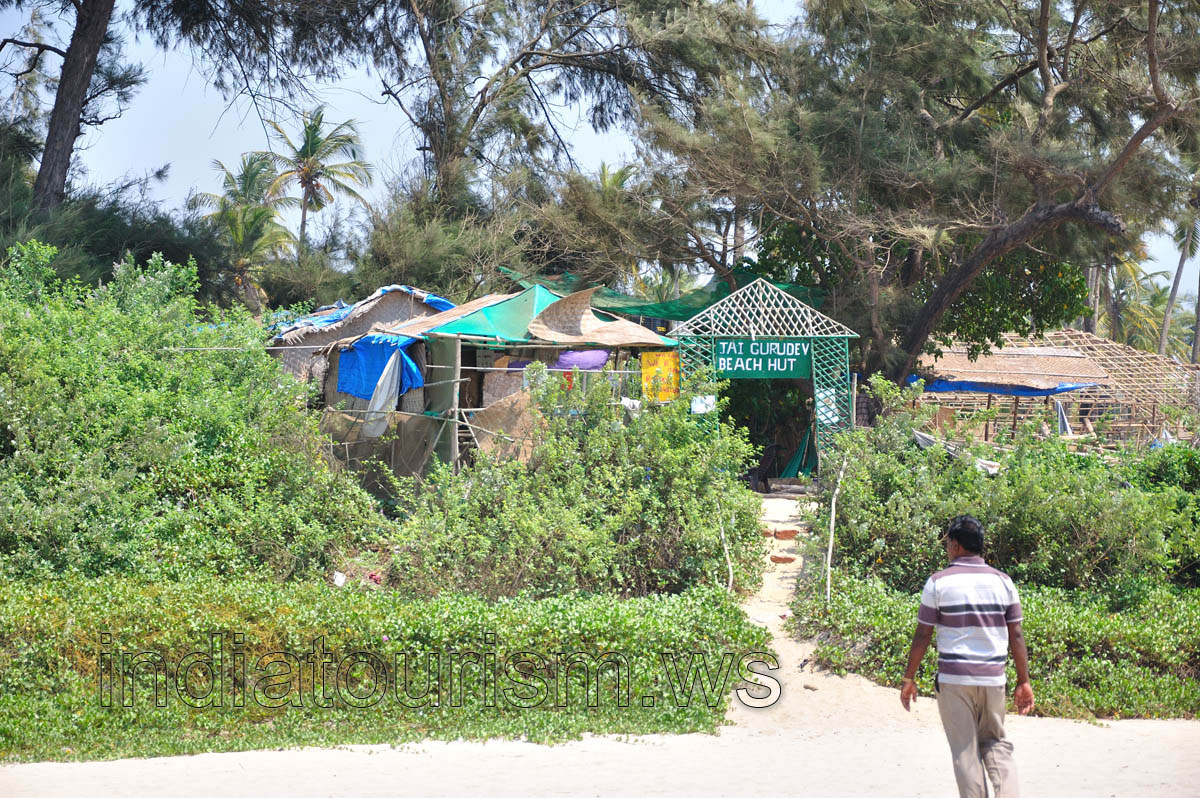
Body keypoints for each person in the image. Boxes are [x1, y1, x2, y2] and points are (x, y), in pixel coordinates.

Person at [899, 515, 1035, 798]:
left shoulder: (938, 583)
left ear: (956, 545)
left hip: (954, 680)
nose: (947, 548)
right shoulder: (1003, 582)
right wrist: (1024, 681)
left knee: (965, 751)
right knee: (996, 744)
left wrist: (909, 677)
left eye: (948, 542)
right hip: (993, 680)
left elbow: (922, 635)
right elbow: (1017, 635)